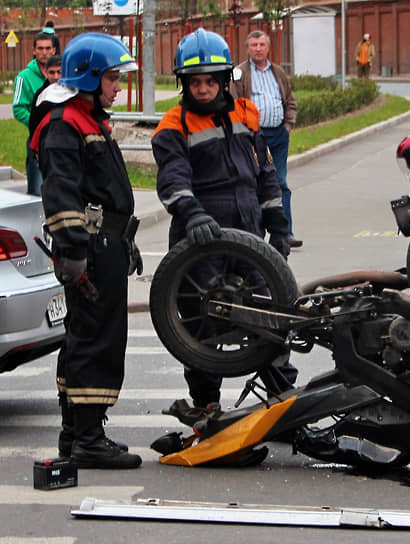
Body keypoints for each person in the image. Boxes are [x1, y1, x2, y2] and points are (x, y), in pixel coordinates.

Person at [152, 28, 294, 411]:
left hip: (248, 234)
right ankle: (206, 406)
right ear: (184, 83)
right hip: (199, 239)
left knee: (271, 313)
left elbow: (266, 174)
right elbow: (172, 178)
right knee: (202, 323)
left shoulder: (247, 113)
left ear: (223, 80)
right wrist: (192, 213)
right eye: (194, 82)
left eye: (209, 81)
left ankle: (284, 402)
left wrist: (278, 223)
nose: (202, 89)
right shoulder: (172, 125)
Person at [31, 33, 143, 469]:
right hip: (90, 250)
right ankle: (88, 439)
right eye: (112, 78)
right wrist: (75, 253)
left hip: (104, 245)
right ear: (90, 77)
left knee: (88, 336)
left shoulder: (87, 117)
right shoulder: (65, 124)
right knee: (96, 340)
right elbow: (61, 196)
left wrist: (124, 240)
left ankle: (75, 433)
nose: (117, 86)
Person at [231, 30, 302, 249]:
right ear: (247, 48)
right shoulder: (240, 73)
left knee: (280, 182)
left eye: (262, 44)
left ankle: (285, 232)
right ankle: (256, 232)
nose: (258, 48)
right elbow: (234, 102)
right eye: (254, 45)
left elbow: (290, 100)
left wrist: (288, 125)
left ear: (268, 47)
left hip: (279, 135)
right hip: (253, 137)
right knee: (253, 182)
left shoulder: (278, 72)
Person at [13, 31, 56, 196]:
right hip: (37, 141)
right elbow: (18, 109)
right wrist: (38, 124)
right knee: (36, 191)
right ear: (34, 50)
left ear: (53, 50)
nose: (44, 52)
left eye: (47, 48)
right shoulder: (24, 77)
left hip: (61, 138)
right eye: (40, 48)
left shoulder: (62, 74)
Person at [28, 54, 61, 140]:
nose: (56, 77)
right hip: (46, 142)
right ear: (46, 72)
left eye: (59, 72)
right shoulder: (40, 95)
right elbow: (33, 125)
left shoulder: (74, 93)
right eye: (52, 72)